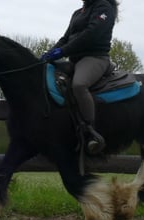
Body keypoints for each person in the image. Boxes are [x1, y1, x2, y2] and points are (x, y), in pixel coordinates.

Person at [41, 0, 119, 154]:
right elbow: (65, 38)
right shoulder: (77, 13)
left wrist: (63, 51)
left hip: (94, 58)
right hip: (74, 60)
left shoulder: (104, 7)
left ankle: (91, 132)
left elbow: (91, 34)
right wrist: (50, 52)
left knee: (79, 84)